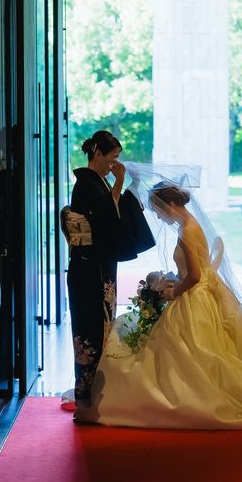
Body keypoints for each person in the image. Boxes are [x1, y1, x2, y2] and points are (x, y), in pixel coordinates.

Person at [74, 183, 242, 428]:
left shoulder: (187, 230)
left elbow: (195, 276)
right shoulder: (189, 225)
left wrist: (173, 291)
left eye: (158, 210)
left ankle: (191, 398)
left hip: (195, 295)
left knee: (191, 350)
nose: (159, 217)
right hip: (200, 291)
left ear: (170, 204)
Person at [63, 131, 154, 408]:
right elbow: (106, 216)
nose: (115, 165)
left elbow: (113, 210)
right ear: (97, 153)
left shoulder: (98, 182)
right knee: (90, 327)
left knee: (102, 323)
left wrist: (128, 189)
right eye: (112, 158)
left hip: (99, 265)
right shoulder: (86, 184)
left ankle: (99, 390)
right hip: (88, 268)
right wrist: (121, 183)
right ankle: (87, 392)